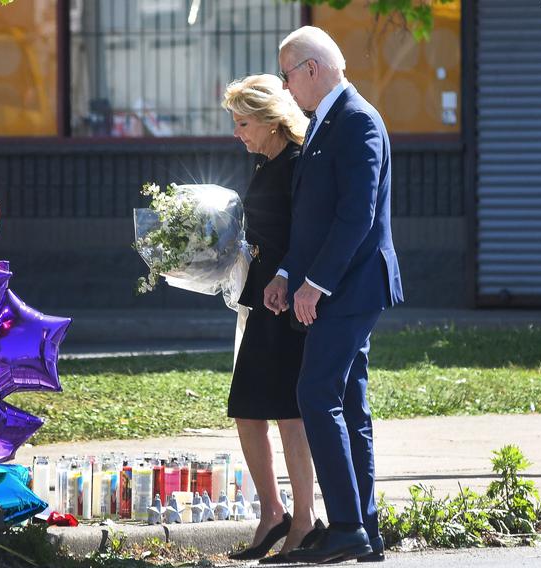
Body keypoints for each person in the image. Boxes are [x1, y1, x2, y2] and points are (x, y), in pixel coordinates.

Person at [263, 26, 404, 564]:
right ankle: (361, 527)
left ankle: (347, 525)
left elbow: (355, 216)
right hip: (338, 283)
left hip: (353, 285)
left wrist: (314, 285)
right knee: (347, 403)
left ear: (312, 69)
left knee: (316, 394)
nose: (285, 85)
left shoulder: (357, 120)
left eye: (286, 73)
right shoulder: (326, 120)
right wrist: (285, 274)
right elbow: (313, 219)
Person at [220, 74, 324, 562]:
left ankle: (304, 518)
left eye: (243, 123)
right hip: (262, 298)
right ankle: (272, 513)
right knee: (247, 408)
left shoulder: (298, 163)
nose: (238, 132)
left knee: (288, 414)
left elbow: (305, 234)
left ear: (269, 120)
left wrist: (284, 275)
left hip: (288, 302)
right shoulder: (266, 160)